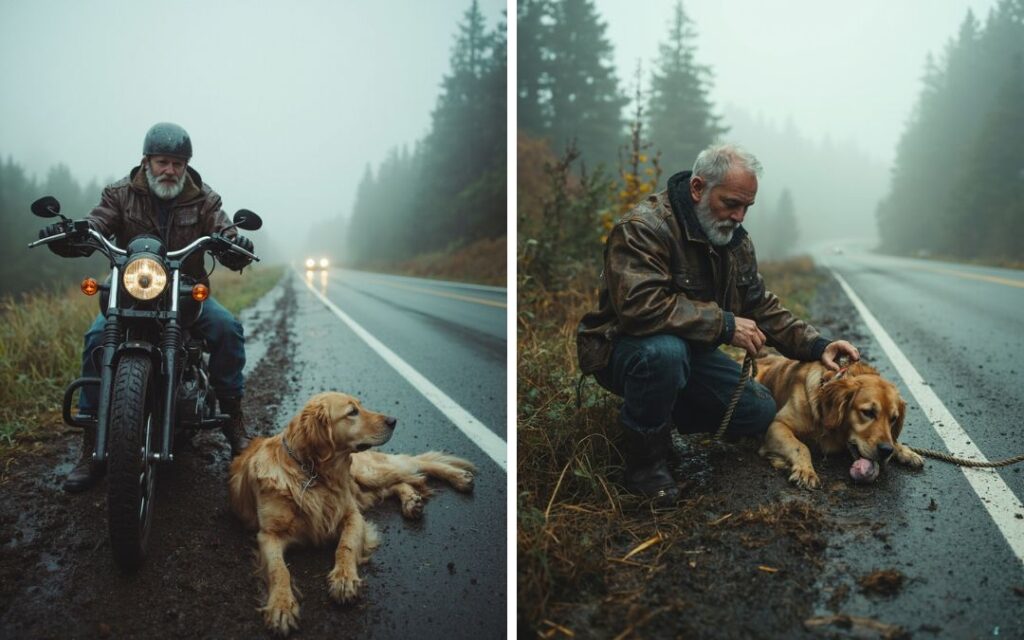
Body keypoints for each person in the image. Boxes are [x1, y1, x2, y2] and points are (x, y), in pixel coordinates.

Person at [576, 143, 859, 506]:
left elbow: (760, 304)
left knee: (758, 410)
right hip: (625, 348)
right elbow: (638, 307)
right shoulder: (643, 228)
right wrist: (725, 325)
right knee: (665, 352)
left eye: (747, 207)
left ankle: (660, 414)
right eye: (731, 203)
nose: (740, 216)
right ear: (697, 188)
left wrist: (818, 345)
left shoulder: (734, 241)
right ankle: (645, 461)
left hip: (689, 356)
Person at [41, 122, 257, 492]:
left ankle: (232, 418)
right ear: (147, 162)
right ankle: (90, 444)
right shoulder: (120, 194)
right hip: (132, 289)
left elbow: (222, 228)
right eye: (162, 162)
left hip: (186, 292)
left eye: (177, 162)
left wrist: (233, 242)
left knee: (227, 329)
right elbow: (98, 222)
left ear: (186, 165)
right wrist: (72, 234)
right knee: (96, 338)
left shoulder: (205, 199)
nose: (169, 170)